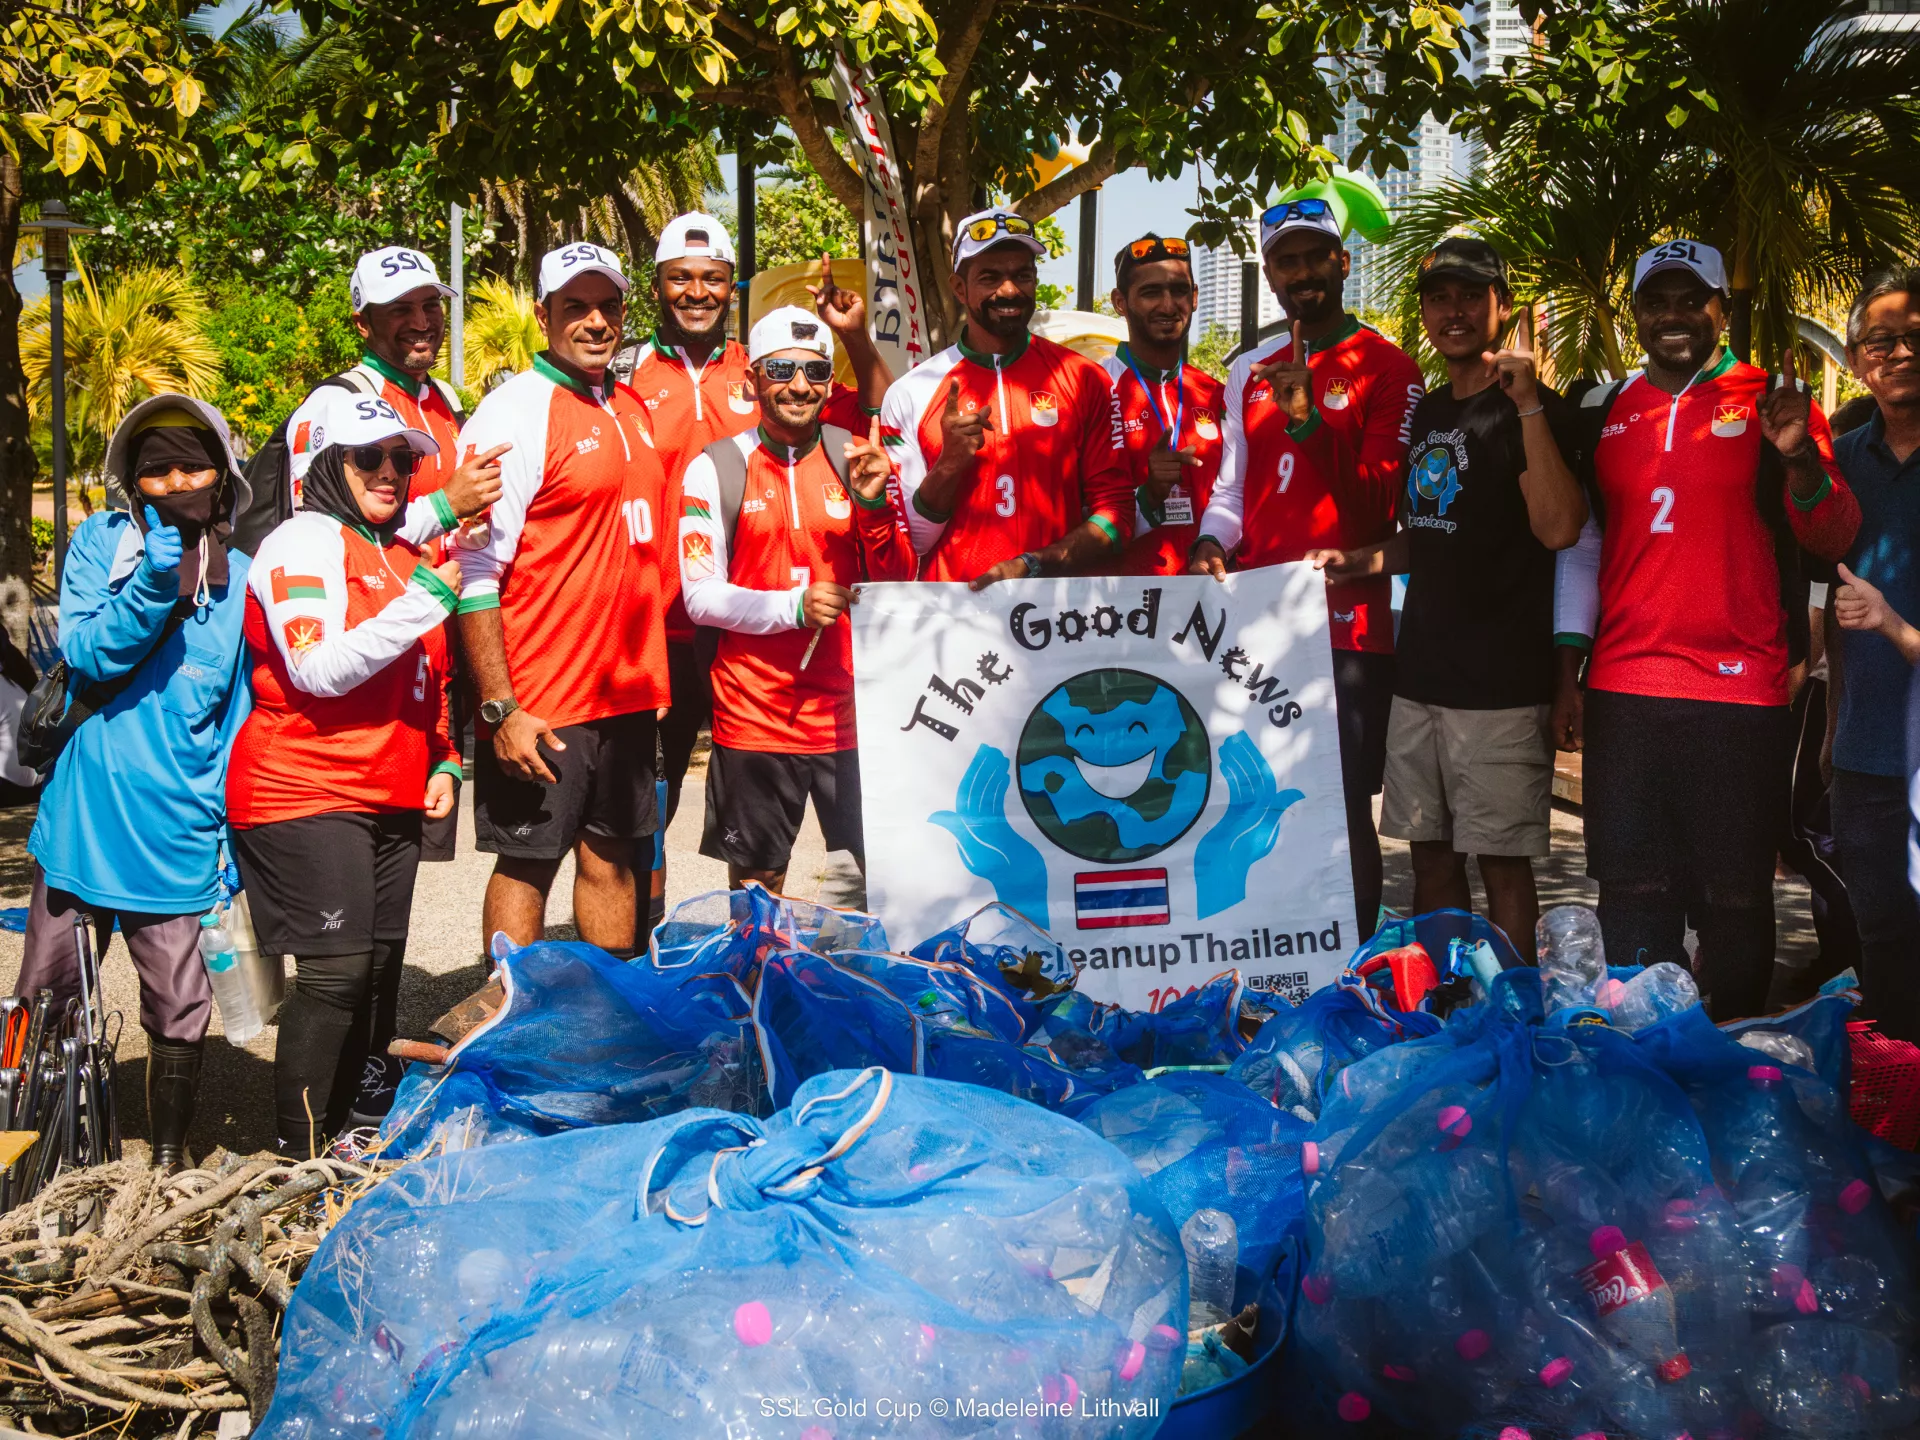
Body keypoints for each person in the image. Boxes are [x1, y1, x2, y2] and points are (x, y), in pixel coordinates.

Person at [1552, 239, 1860, 1019]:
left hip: (1739, 690)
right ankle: (1648, 1059)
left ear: (1721, 309)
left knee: (1736, 895)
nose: (1674, 316)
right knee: (1632, 892)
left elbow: (1831, 536)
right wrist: (1569, 671)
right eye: (1656, 301)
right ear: (1636, 314)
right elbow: (1585, 546)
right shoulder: (1606, 409)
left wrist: (1800, 460)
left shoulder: (1771, 402)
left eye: (1693, 300)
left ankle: (1734, 1055)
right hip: (1624, 689)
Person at [622, 219, 892, 933]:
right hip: (667, 633)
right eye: (681, 277)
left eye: (712, 277)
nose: (798, 383)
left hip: (827, 684)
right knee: (650, 808)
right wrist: (793, 605)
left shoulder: (810, 402)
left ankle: (854, 979)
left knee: (875, 869)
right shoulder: (626, 377)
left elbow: (877, 412)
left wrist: (855, 338)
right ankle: (648, 944)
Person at [17, 397, 253, 1170]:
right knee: (43, 997)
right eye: (158, 470)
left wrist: (227, 845)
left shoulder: (245, 582)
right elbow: (87, 653)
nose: (178, 482)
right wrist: (153, 576)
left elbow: (237, 722)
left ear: (222, 477)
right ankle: (24, 1147)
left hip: (177, 835)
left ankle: (168, 1158)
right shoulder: (100, 543)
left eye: (193, 466)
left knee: (181, 1006)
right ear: (132, 481)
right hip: (81, 823)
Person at [226, 391, 461, 1155]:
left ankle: (351, 1136)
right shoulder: (301, 541)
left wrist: (446, 757)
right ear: (324, 463)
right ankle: (293, 1155)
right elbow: (317, 667)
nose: (391, 472)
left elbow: (430, 675)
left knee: (380, 970)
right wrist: (425, 602)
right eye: (369, 457)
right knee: (336, 975)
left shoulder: (399, 552)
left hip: (389, 792)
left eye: (402, 459)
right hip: (304, 788)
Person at [1338, 238, 1585, 961]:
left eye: (1472, 296)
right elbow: (1425, 534)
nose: (1455, 311)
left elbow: (1560, 528)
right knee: (1431, 862)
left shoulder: (1537, 411)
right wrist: (1358, 562)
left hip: (1501, 689)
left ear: (1502, 307)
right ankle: (1445, 1000)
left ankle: (1511, 1005)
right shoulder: (1429, 411)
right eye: (1440, 298)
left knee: (1503, 866)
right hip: (1419, 679)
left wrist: (1530, 404)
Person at [1189, 194, 1426, 943]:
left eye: (1314, 256)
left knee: (1340, 802)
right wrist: (1211, 542)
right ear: (1269, 274)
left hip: (1349, 629)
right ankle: (1271, 955)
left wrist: (1308, 423)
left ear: (1342, 262)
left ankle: (1351, 962)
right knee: (1256, 799)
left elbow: (1381, 502)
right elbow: (1232, 491)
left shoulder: (1390, 367)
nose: (1301, 273)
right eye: (1285, 261)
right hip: (1258, 625)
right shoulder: (1247, 369)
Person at [455, 242, 671, 958]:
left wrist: (652, 677)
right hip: (543, 696)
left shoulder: (629, 405)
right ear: (543, 314)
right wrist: (501, 708)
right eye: (575, 306)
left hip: (624, 693)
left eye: (607, 306)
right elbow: (475, 572)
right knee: (528, 863)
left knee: (611, 857)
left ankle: (607, 1008)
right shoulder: (512, 413)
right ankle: (512, 1010)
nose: (595, 321)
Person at [678, 306, 914, 890]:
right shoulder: (715, 467)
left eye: (816, 372)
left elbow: (900, 580)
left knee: (882, 882)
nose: (800, 386)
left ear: (830, 383)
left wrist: (874, 506)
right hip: (755, 716)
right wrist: (793, 607)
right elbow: (700, 597)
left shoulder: (855, 454)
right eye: (782, 370)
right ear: (753, 378)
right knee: (759, 891)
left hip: (855, 716)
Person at [882, 205, 1132, 586]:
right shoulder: (911, 391)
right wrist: (948, 466)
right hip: (952, 612)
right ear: (959, 288)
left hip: (1055, 612)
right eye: (990, 277)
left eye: (1022, 275)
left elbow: (1117, 514)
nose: (1010, 290)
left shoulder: (1086, 379)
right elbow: (910, 544)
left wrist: (1035, 563)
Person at [1826, 268, 1920, 1039]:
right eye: (1881, 341)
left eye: (1916, 337)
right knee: (1880, 939)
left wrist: (1893, 625)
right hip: (1865, 754)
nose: (1900, 354)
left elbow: (1872, 614)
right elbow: (1827, 605)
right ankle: (1899, 1094)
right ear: (1858, 360)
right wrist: (1831, 731)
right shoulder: (1841, 461)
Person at [1101, 233, 1226, 575]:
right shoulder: (1095, 388)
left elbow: (1236, 497)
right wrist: (1149, 495)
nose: (1169, 306)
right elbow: (1072, 513)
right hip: (1122, 599)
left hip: (1209, 593)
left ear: (1195, 297)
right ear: (1120, 302)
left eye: (1179, 290)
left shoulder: (1216, 394)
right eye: (1151, 292)